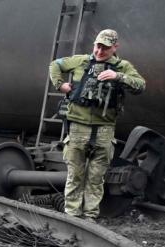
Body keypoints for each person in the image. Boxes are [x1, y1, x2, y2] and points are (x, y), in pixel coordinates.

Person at [49, 29, 145, 222]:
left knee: (96, 178)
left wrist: (118, 76)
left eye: (105, 48)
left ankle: (90, 219)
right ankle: (72, 218)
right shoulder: (80, 61)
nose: (100, 51)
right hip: (78, 127)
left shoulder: (122, 66)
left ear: (115, 47)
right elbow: (55, 65)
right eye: (98, 46)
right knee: (75, 175)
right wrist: (60, 85)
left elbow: (140, 85)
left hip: (104, 130)